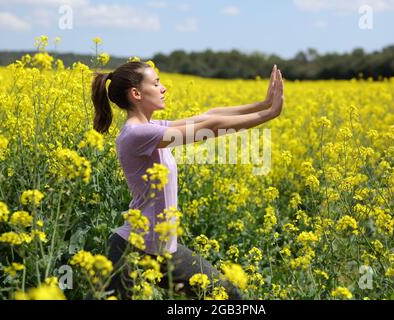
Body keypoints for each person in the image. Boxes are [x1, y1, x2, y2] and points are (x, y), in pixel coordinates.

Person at [91, 61, 284, 300]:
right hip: (133, 250)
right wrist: (269, 114)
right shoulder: (137, 134)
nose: (163, 88)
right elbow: (210, 127)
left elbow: (207, 116)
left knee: (228, 296)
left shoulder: (150, 127)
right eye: (156, 83)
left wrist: (264, 104)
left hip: (162, 249)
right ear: (136, 93)